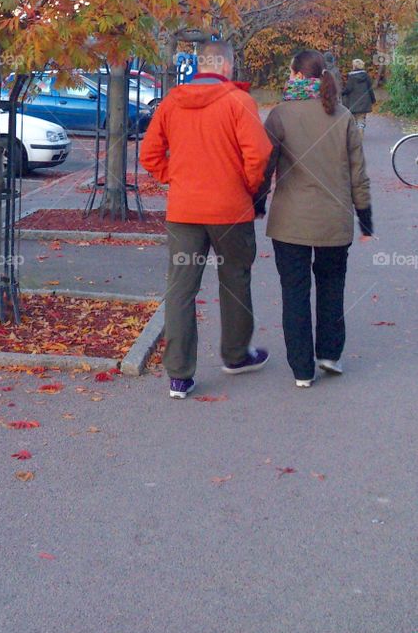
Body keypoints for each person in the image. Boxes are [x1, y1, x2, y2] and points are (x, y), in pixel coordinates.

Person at [140, 42, 274, 399]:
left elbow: (149, 154)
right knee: (235, 281)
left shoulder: (170, 102)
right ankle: (235, 354)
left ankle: (179, 375)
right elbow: (259, 155)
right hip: (230, 211)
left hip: (184, 211)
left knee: (181, 289)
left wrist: (176, 177)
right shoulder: (238, 102)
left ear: (199, 65)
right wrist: (244, 187)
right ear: (227, 66)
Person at [259, 49, 373, 388]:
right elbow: (358, 175)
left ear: (295, 75)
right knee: (331, 287)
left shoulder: (280, 115)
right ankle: (329, 354)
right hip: (334, 222)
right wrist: (365, 218)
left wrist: (257, 203)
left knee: (294, 292)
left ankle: (301, 370)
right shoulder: (343, 116)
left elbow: (264, 166)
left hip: (289, 223)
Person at [341, 57, 376, 130]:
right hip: (364, 102)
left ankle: (356, 136)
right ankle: (360, 132)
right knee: (361, 120)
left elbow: (348, 89)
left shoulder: (351, 77)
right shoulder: (366, 76)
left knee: (354, 121)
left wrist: (342, 92)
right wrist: (373, 100)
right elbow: (370, 89)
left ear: (354, 66)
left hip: (353, 102)